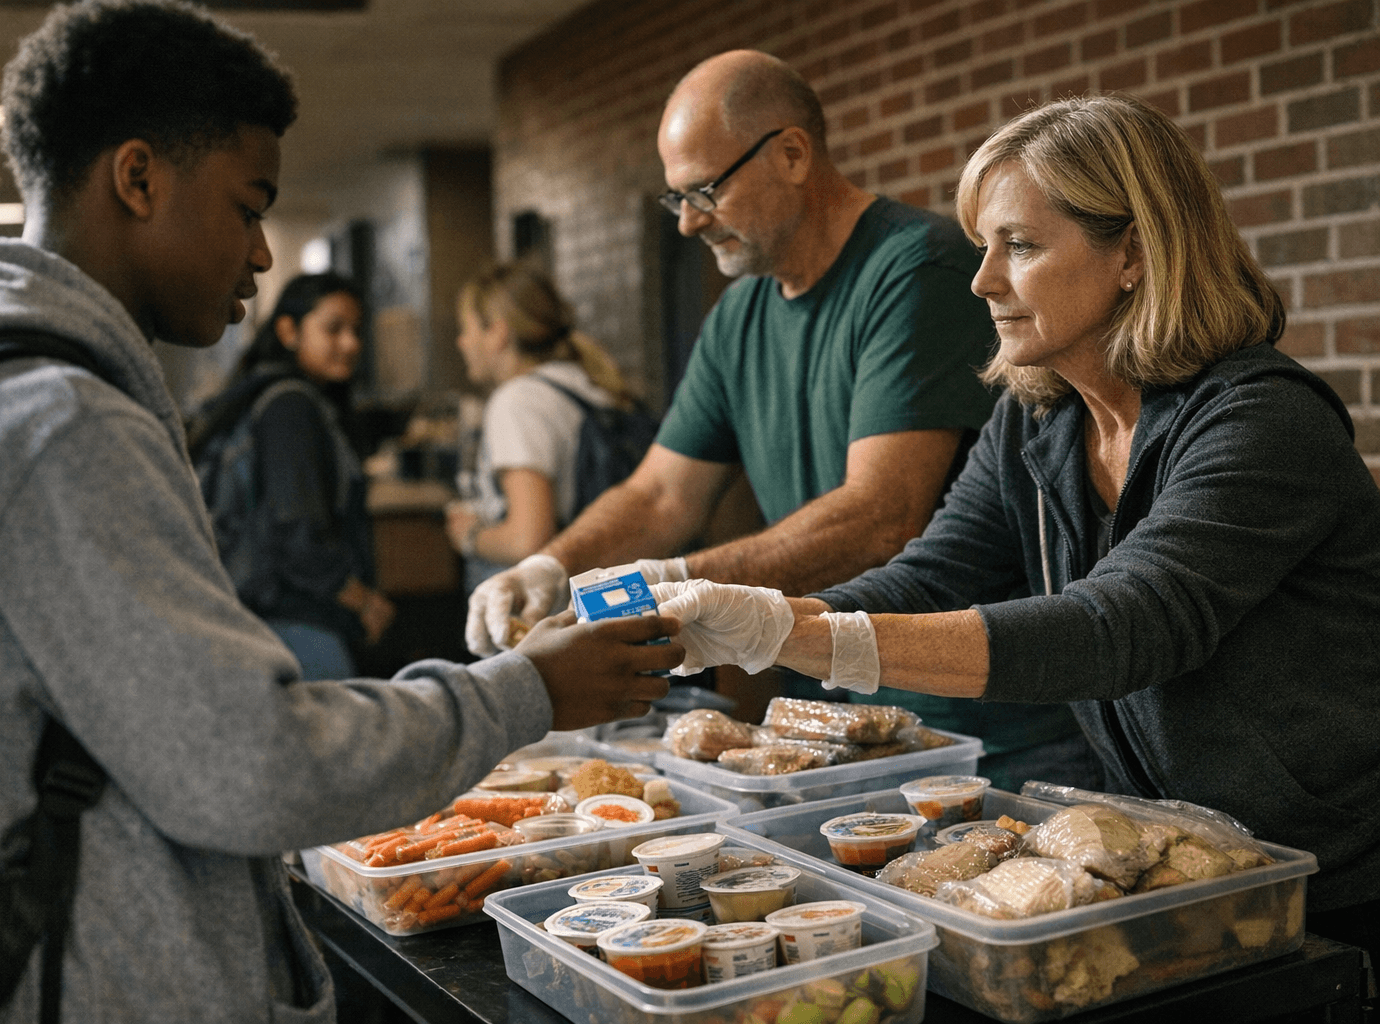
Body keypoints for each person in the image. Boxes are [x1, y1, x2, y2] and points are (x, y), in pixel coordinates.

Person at [0, 2, 680, 1021]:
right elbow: (250, 762)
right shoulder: (54, 422)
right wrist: (522, 692)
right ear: (138, 177)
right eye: (249, 206)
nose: (263, 256)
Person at [648, 94, 1380, 964]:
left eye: (1021, 246)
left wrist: (812, 638)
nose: (982, 279)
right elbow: (932, 572)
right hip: (1175, 864)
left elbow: (1121, 628)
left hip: (1330, 878)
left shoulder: (1260, 421)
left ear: (1135, 254)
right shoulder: (1039, 419)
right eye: (984, 245)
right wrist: (760, 616)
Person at [466, 49, 1097, 790]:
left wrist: (677, 583)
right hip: (837, 717)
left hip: (984, 725)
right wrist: (550, 565)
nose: (688, 222)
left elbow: (880, 517)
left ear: (792, 153)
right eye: (677, 199)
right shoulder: (740, 314)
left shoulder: (915, 269)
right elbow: (661, 495)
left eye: (704, 190)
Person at [197, 272, 394, 678]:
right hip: (297, 622)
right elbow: (298, 532)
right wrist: (362, 600)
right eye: (333, 329)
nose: (351, 344)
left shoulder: (271, 394)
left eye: (356, 330)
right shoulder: (291, 407)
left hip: (269, 616)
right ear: (289, 330)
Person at [445, 261, 638, 593]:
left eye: (467, 328)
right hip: (602, 595)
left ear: (498, 333)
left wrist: (468, 535)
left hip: (543, 613)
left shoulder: (518, 401)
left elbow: (527, 539)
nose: (461, 342)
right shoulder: (586, 384)